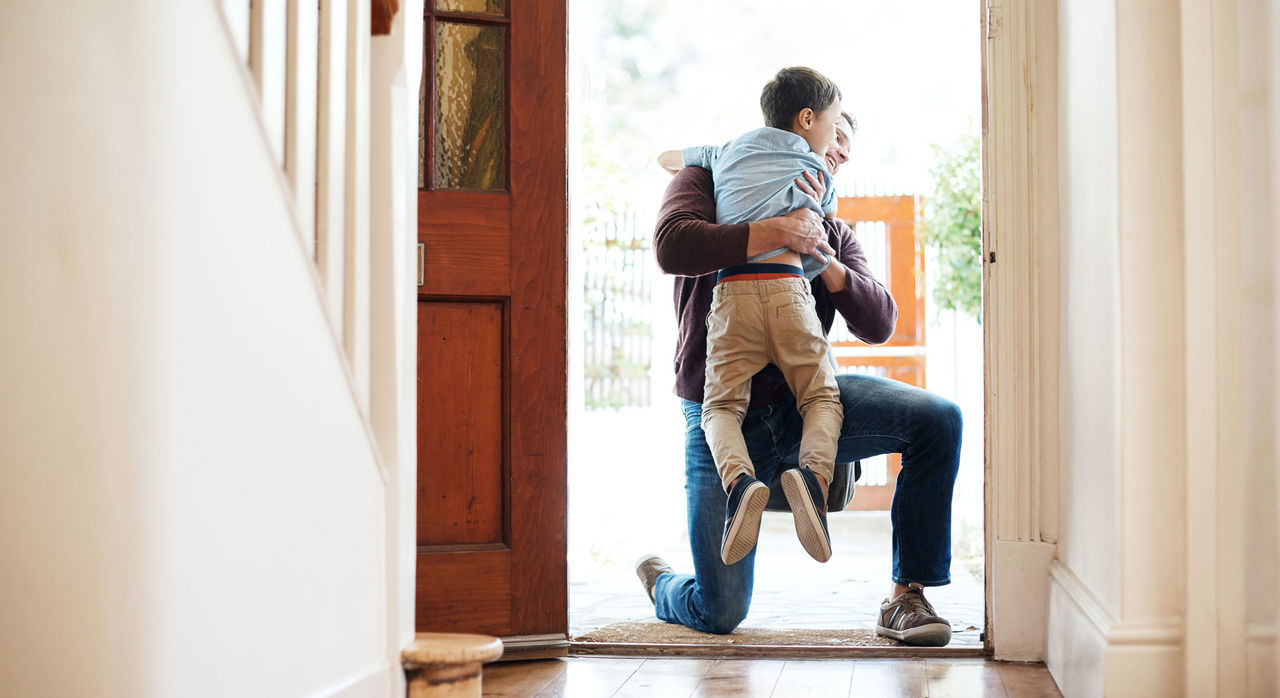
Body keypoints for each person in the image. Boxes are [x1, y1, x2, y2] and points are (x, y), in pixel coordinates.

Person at [634, 109, 963, 647]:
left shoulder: (829, 225)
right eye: (836, 136)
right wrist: (773, 230)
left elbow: (879, 322)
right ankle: (665, 585)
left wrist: (824, 258)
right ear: (797, 133)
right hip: (723, 416)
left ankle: (907, 596)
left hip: (807, 405)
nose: (842, 152)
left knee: (937, 420)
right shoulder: (708, 180)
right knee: (720, 612)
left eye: (847, 147)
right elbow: (673, 246)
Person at [655, 67, 847, 567]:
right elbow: (821, 224)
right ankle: (813, 478)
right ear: (806, 119)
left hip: (732, 293)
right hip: (787, 291)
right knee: (821, 396)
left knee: (720, 409)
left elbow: (668, 158)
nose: (833, 140)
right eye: (832, 126)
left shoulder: (724, 154)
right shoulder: (816, 168)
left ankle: (740, 484)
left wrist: (702, 166)